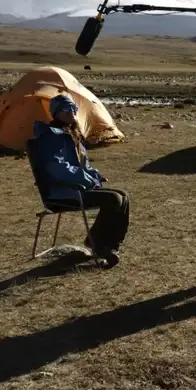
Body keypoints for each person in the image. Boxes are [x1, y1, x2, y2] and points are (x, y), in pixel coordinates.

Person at [31, 94, 130, 268]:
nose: (71, 113)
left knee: (123, 196)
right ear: (56, 113)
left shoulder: (71, 134)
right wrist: (88, 179)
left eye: (73, 109)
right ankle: (98, 245)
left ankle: (111, 245)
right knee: (114, 199)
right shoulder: (51, 137)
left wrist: (95, 175)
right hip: (62, 191)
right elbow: (58, 169)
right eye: (65, 109)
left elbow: (83, 164)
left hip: (78, 186)